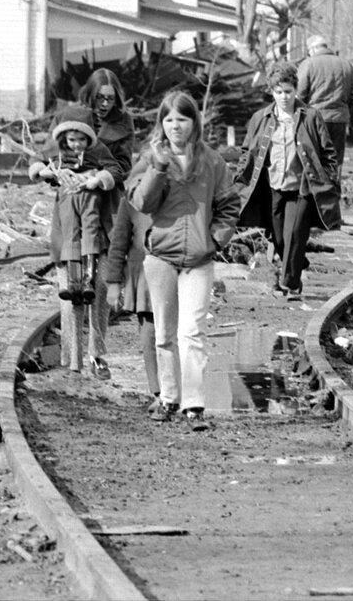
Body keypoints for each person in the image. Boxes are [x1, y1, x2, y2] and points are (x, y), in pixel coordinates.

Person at [126, 90, 241, 431]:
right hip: (161, 257)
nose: (176, 126)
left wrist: (215, 240)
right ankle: (168, 397)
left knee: (192, 332)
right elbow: (142, 202)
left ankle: (193, 404)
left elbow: (229, 206)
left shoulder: (212, 161)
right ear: (162, 123)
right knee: (164, 333)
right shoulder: (150, 157)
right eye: (170, 119)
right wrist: (159, 167)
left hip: (198, 260)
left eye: (183, 119)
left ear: (195, 123)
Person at [236, 61, 342, 301]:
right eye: (279, 92)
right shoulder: (260, 118)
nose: (284, 97)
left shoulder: (311, 117)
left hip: (302, 188)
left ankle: (290, 285)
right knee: (281, 239)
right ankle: (297, 261)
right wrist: (240, 177)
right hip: (273, 187)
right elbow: (247, 151)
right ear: (271, 92)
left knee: (294, 234)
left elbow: (328, 153)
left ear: (296, 90)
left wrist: (330, 182)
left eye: (288, 91)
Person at [28, 106, 121, 378]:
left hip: (97, 228)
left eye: (82, 137)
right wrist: (46, 173)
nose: (76, 143)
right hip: (66, 228)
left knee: (99, 290)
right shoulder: (56, 152)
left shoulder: (100, 150)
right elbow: (37, 164)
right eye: (72, 138)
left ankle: (97, 355)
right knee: (69, 296)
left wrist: (95, 179)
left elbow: (116, 171)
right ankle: (72, 358)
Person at [78, 69, 136, 378]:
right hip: (75, 204)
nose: (104, 104)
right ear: (90, 95)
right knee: (73, 281)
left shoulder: (123, 123)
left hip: (108, 204)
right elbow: (51, 156)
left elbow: (126, 165)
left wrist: (103, 177)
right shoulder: (75, 116)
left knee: (101, 280)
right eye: (99, 98)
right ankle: (72, 354)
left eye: (110, 99)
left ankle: (97, 353)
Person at [105, 198, 159, 411]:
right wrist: (114, 282)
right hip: (142, 274)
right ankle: (158, 391)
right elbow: (118, 244)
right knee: (149, 334)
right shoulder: (130, 202)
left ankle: (175, 390)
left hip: (172, 270)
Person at [296, 34, 353, 182]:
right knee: (336, 158)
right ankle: (334, 189)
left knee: (315, 156)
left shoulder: (308, 64)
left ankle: (316, 190)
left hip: (314, 118)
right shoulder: (346, 64)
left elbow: (299, 94)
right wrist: (344, 107)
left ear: (312, 49)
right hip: (339, 119)